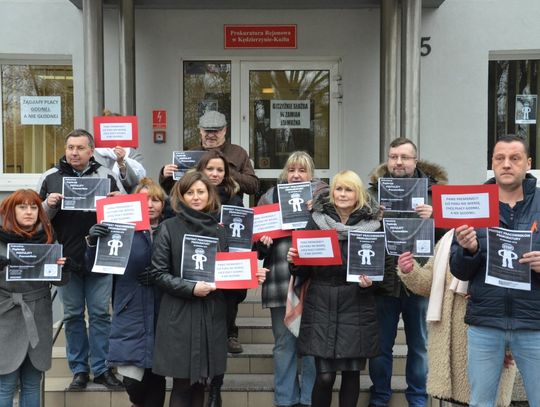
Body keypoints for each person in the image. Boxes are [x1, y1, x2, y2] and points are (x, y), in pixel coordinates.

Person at [136, 171, 267, 407]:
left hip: (212, 314)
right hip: (179, 315)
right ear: (181, 196)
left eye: (201, 192)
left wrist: (250, 275)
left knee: (202, 383)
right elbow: (157, 274)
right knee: (182, 384)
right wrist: (191, 288)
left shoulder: (219, 230)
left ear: (210, 195)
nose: (196, 197)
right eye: (190, 192)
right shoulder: (168, 228)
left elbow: (227, 273)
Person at [450, 134, 540, 407]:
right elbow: (460, 272)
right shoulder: (473, 204)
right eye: (500, 158)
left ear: (528, 163)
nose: (507, 164)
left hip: (534, 322)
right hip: (485, 322)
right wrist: (468, 250)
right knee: (481, 402)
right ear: (492, 163)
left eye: (514, 158)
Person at [36, 129, 125, 390]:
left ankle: (102, 369)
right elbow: (34, 218)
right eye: (70, 147)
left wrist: (120, 201)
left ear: (91, 151)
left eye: (80, 148)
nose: (74, 152)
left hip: (101, 257)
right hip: (65, 259)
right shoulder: (51, 177)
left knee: (100, 315)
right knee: (73, 316)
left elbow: (126, 212)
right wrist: (49, 204)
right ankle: (79, 370)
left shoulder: (107, 175)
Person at [286, 170, 381, 407]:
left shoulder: (374, 225)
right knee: (325, 376)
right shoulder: (316, 221)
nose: (343, 194)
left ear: (358, 194)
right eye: (338, 188)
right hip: (321, 302)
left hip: (356, 305)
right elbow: (303, 270)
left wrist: (371, 283)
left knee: (351, 374)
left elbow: (382, 268)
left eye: (349, 189)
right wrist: (295, 261)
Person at [368, 137, 448, 407]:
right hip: (384, 280)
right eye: (393, 156)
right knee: (380, 347)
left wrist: (436, 217)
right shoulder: (371, 193)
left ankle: (417, 399)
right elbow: (357, 233)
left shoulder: (434, 194)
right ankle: (379, 397)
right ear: (387, 159)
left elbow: (452, 237)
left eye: (404, 157)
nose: (398, 162)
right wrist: (372, 220)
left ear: (415, 160)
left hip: (420, 280)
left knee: (420, 346)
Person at [396, 230, 516, 406]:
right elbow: (428, 283)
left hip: (488, 332)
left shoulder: (502, 232)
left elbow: (514, 291)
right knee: (461, 399)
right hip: (449, 341)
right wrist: (411, 271)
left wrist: (510, 344)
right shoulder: (447, 240)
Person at [85, 177, 167, 407]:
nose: (150, 205)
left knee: (155, 375)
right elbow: (96, 267)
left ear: (163, 204)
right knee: (133, 380)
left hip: (163, 308)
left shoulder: (170, 228)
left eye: (156, 200)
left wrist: (160, 275)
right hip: (130, 308)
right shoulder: (121, 229)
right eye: (144, 199)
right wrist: (94, 240)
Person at [256, 151, 327, 407]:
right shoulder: (269, 197)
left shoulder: (324, 197)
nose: (296, 175)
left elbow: (335, 232)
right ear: (285, 173)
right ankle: (285, 399)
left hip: (314, 279)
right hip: (279, 277)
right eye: (292, 170)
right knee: (284, 342)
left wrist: (318, 211)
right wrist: (262, 243)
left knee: (310, 342)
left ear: (312, 174)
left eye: (302, 170)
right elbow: (256, 244)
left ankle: (309, 399)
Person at [0, 189, 71, 406]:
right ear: (11, 211)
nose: (29, 212)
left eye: (33, 207)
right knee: (6, 382)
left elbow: (61, 282)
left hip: (39, 314)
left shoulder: (48, 236)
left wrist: (63, 268)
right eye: (22, 207)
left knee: (32, 381)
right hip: (6, 315)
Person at [195, 150, 244, 407]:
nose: (215, 174)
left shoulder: (235, 201)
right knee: (198, 337)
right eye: (210, 169)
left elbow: (243, 240)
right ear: (201, 171)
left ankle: (216, 389)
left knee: (218, 339)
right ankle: (200, 382)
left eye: (220, 170)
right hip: (196, 276)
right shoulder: (191, 198)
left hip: (226, 280)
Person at [159, 110, 259, 197]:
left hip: (227, 209)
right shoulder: (189, 155)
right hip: (197, 212)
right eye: (207, 131)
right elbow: (172, 191)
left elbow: (253, 186)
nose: (211, 135)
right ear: (200, 131)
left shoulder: (238, 153)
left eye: (216, 131)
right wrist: (165, 175)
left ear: (224, 130)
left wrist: (226, 171)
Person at [93, 109, 146, 193]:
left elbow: (137, 181)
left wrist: (122, 163)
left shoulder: (133, 154)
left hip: (126, 200)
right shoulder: (93, 154)